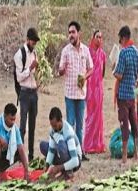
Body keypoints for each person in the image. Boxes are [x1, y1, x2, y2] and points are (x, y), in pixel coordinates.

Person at [58, 20, 94, 159]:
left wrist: (85, 77)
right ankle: (70, 153)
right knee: (70, 125)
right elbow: (60, 70)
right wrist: (61, 69)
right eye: (69, 33)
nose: (70, 35)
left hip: (81, 94)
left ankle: (80, 153)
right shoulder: (66, 51)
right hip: (69, 94)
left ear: (79, 33)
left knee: (80, 126)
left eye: (73, 32)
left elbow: (91, 68)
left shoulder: (85, 50)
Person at [0, 103, 30, 185]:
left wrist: (26, 170)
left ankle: (1, 172)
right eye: (11, 119)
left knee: (18, 151)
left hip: (2, 156)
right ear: (5, 116)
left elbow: (21, 148)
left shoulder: (14, 129)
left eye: (14, 119)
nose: (13, 122)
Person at [114, 25, 138, 165]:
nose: (120, 41)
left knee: (124, 124)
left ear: (123, 37)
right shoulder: (137, 52)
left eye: (120, 38)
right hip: (132, 93)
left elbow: (119, 74)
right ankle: (136, 153)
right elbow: (137, 74)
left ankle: (124, 156)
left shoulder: (123, 53)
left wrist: (113, 70)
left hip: (123, 95)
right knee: (134, 122)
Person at [15, 28, 40, 159]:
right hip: (24, 93)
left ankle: (30, 154)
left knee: (33, 125)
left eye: (35, 42)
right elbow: (19, 77)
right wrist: (30, 68)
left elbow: (34, 74)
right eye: (33, 41)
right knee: (23, 126)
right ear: (27, 40)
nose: (34, 44)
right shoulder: (19, 54)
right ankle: (20, 154)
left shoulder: (34, 53)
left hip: (33, 92)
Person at [40, 107, 82, 181]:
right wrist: (47, 165)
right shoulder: (53, 130)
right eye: (52, 125)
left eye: (55, 126)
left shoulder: (68, 132)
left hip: (75, 160)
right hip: (62, 155)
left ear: (61, 120)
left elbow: (75, 161)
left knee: (61, 146)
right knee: (43, 146)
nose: (53, 128)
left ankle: (68, 173)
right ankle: (63, 168)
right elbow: (51, 150)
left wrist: (58, 168)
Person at [84, 30, 106, 154]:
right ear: (93, 38)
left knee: (99, 117)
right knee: (90, 117)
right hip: (90, 88)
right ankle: (88, 145)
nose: (99, 39)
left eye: (101, 37)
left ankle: (98, 144)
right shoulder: (87, 52)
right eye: (97, 37)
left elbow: (102, 72)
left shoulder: (102, 54)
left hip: (99, 88)